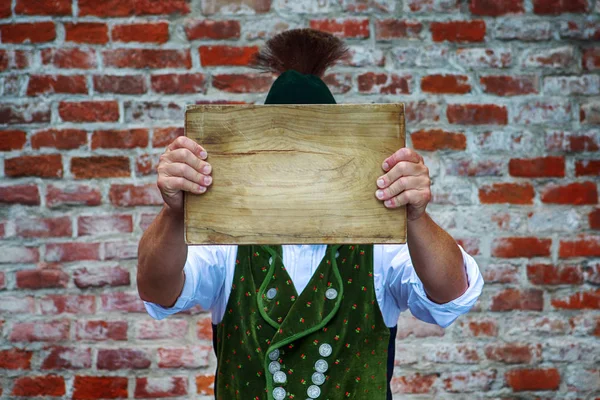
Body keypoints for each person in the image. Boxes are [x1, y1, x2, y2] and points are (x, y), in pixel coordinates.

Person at [137, 28, 484, 400]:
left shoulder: (381, 240)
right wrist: (174, 214)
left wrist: (416, 217)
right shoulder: (227, 240)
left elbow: (451, 296)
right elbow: (158, 290)